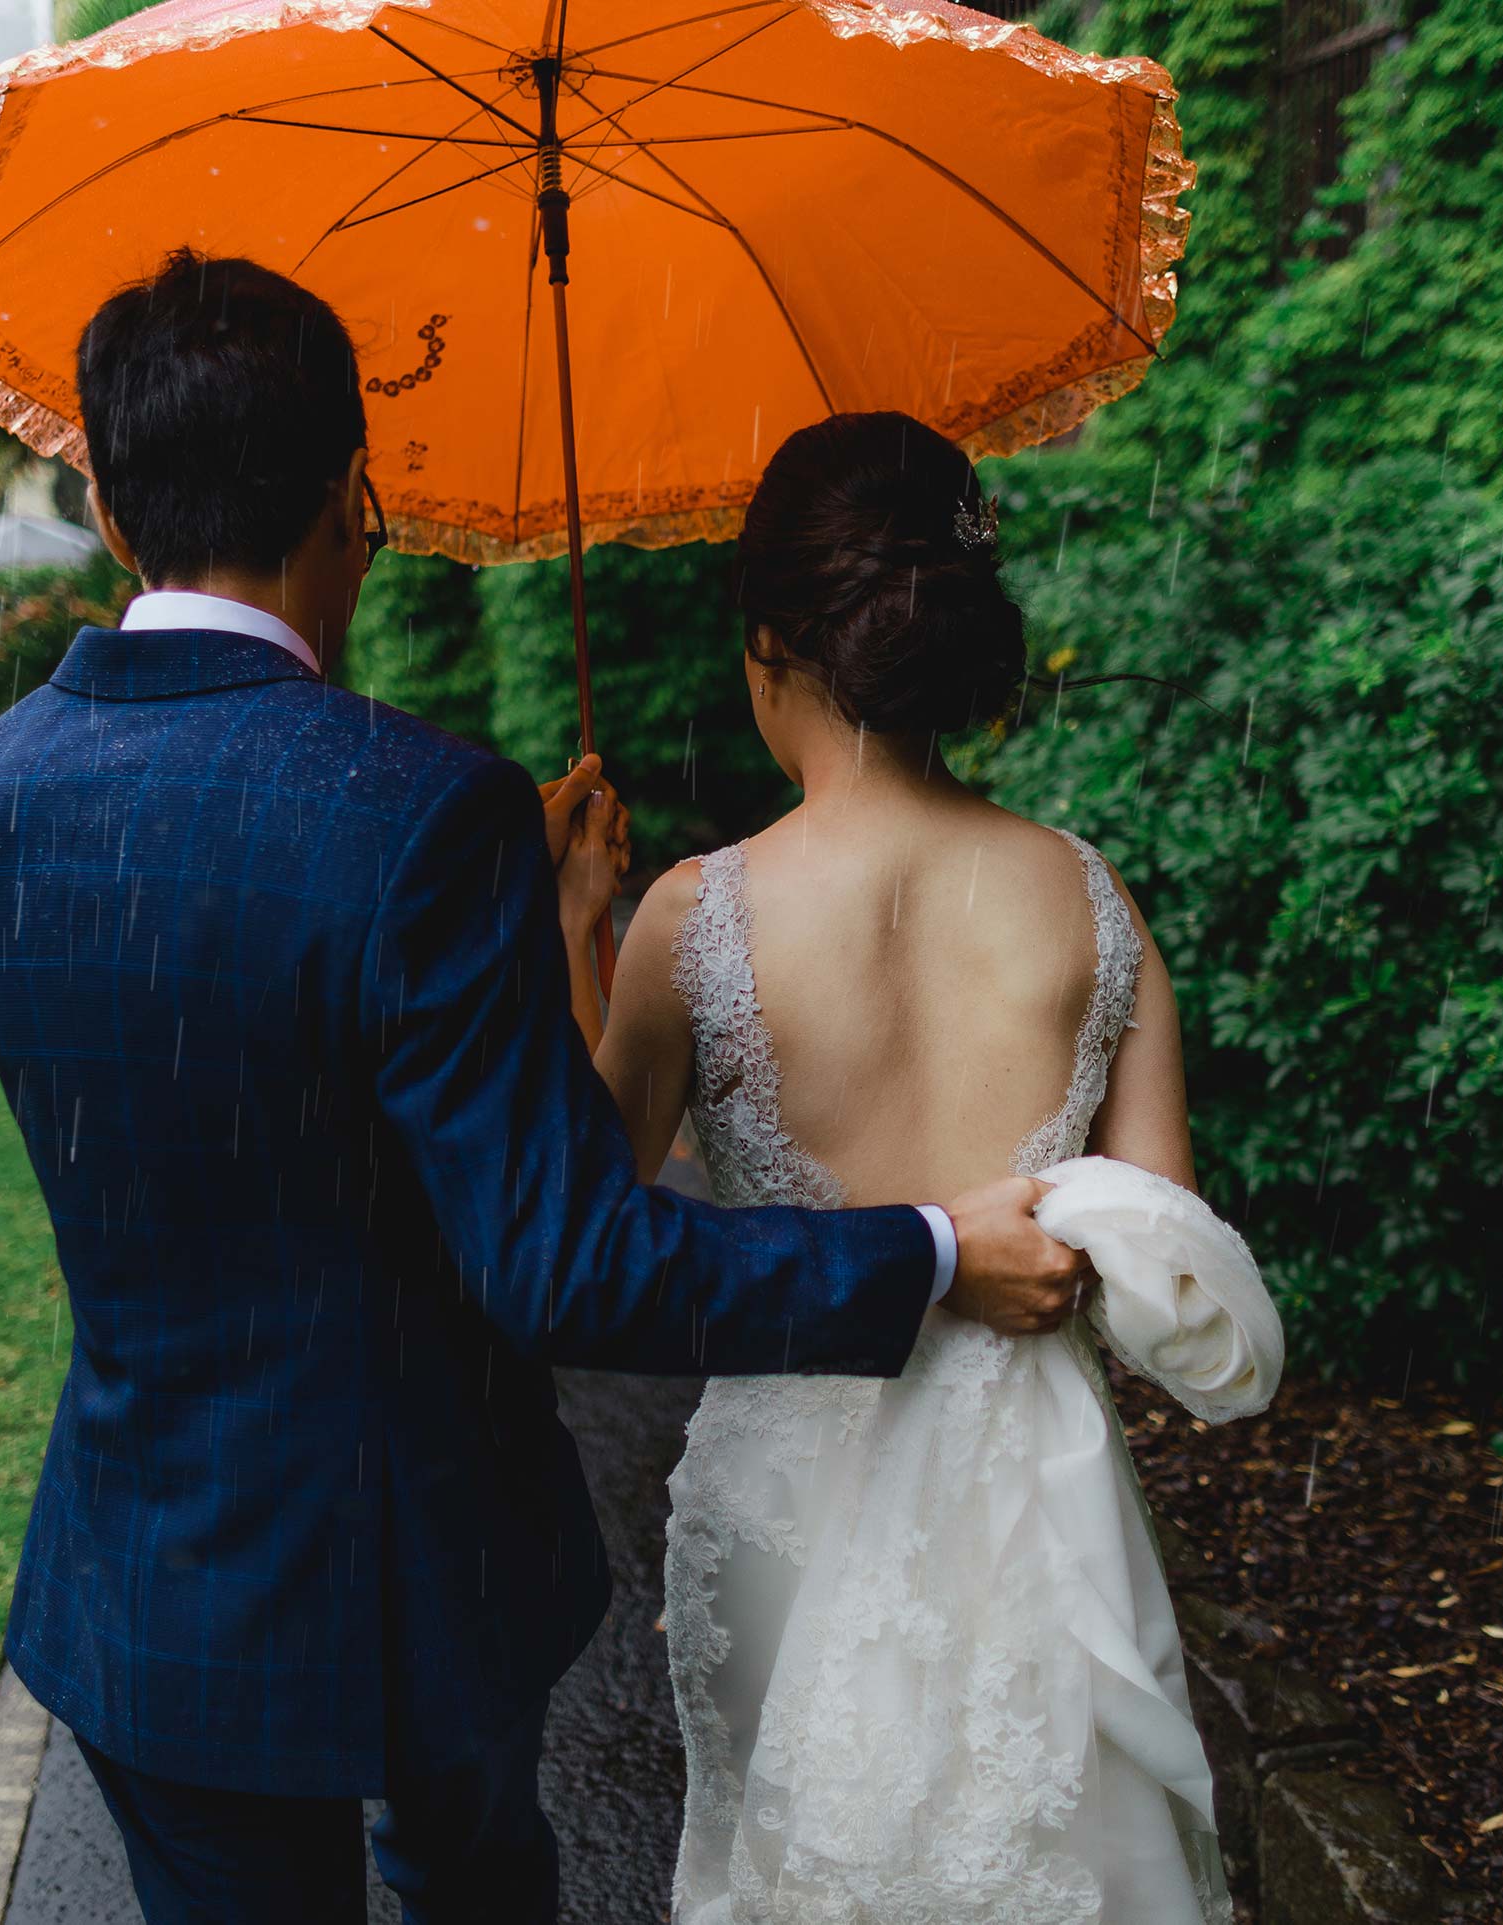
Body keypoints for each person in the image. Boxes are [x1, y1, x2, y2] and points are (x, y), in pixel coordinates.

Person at [0, 255, 1090, 1925]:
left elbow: (229, 1064)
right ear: (348, 492)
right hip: (423, 1559)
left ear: (110, 504)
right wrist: (926, 1247)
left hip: (144, 1580)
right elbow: (569, 1261)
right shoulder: (418, 811)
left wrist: (523, 928)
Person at [580, 412, 1279, 1922]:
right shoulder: (1089, 898)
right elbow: (1162, 1250)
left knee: (786, 1871)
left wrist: (590, 925)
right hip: (1030, 1518)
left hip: (779, 1499)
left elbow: (596, 1215)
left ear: (769, 638)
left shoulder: (692, 918)